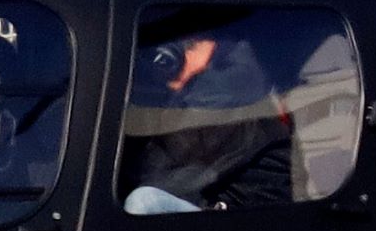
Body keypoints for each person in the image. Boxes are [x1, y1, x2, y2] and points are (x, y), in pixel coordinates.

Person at [120, 13, 294, 215]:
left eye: (183, 46)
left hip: (242, 221)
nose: (173, 82)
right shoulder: (191, 85)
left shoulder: (232, 84)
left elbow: (161, 172)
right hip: (208, 194)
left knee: (144, 202)